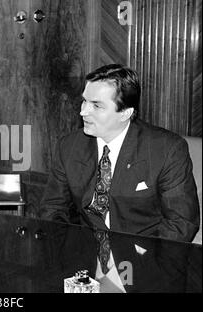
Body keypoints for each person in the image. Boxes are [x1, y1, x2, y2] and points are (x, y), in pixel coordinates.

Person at [40, 64, 199, 242]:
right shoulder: (69, 146)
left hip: (144, 256)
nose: (83, 111)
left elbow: (181, 222)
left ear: (125, 113)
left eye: (97, 105)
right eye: (84, 100)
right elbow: (53, 210)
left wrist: (135, 260)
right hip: (85, 253)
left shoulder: (166, 150)